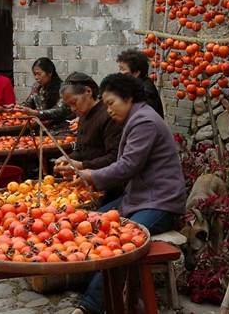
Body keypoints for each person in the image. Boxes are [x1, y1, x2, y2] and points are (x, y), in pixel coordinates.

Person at [73, 73, 186, 314]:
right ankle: (96, 286)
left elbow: (127, 166)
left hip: (160, 203)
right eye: (106, 105)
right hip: (140, 198)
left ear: (129, 98)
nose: (109, 110)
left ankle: (90, 306)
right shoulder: (135, 119)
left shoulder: (144, 122)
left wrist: (92, 176)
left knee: (121, 240)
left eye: (111, 103)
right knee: (92, 222)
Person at [54, 72, 121, 177]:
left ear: (88, 91)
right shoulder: (83, 116)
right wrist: (68, 159)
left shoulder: (109, 115)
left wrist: (82, 165)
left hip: (107, 179)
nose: (73, 109)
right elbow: (81, 150)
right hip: (89, 178)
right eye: (69, 105)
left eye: (74, 102)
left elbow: (114, 157)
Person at [15, 57, 72, 125]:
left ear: (50, 73)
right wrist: (15, 107)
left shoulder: (63, 88)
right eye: (34, 74)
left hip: (61, 129)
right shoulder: (36, 87)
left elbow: (60, 110)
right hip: (41, 127)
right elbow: (28, 104)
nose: (36, 78)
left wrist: (36, 113)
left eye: (39, 74)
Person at [117, 49, 164, 118]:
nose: (119, 73)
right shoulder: (134, 85)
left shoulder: (145, 93)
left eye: (123, 69)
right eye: (120, 69)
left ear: (136, 73)